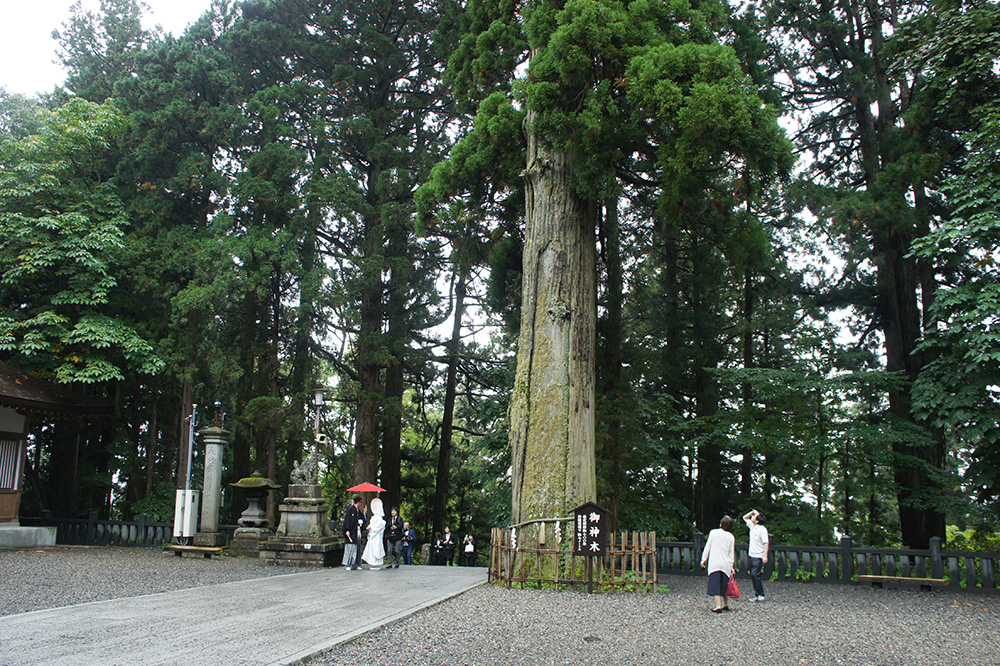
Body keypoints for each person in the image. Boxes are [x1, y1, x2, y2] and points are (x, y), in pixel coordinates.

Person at [700, 515, 736, 613]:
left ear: (721, 524)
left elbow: (708, 546)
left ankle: (718, 606)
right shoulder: (731, 537)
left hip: (715, 562)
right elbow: (731, 552)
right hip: (726, 564)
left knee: (716, 584)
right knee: (725, 584)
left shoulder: (714, 532)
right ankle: (725, 604)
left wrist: (703, 559)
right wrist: (732, 565)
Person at [743, 509, 770, 601]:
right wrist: (752, 512)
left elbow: (766, 542)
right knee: (753, 575)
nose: (752, 518)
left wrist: (765, 555)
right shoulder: (752, 526)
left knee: (755, 574)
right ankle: (757, 594)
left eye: (754, 517)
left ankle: (761, 594)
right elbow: (744, 517)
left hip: (758, 556)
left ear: (757, 521)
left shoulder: (762, 529)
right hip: (751, 555)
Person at [363, 497, 386, 569]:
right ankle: (374, 562)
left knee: (376, 549)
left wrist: (371, 527)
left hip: (376, 536)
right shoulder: (375, 517)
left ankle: (375, 563)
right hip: (373, 536)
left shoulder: (377, 518)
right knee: (373, 550)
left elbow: (379, 525)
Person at [342, 496, 365, 570]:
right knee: (350, 548)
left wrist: (364, 514)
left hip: (357, 531)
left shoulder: (358, 511)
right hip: (352, 531)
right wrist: (347, 530)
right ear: (358, 502)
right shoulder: (351, 510)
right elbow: (348, 521)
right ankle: (348, 564)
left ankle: (356, 563)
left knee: (357, 547)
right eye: (361, 502)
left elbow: (361, 519)